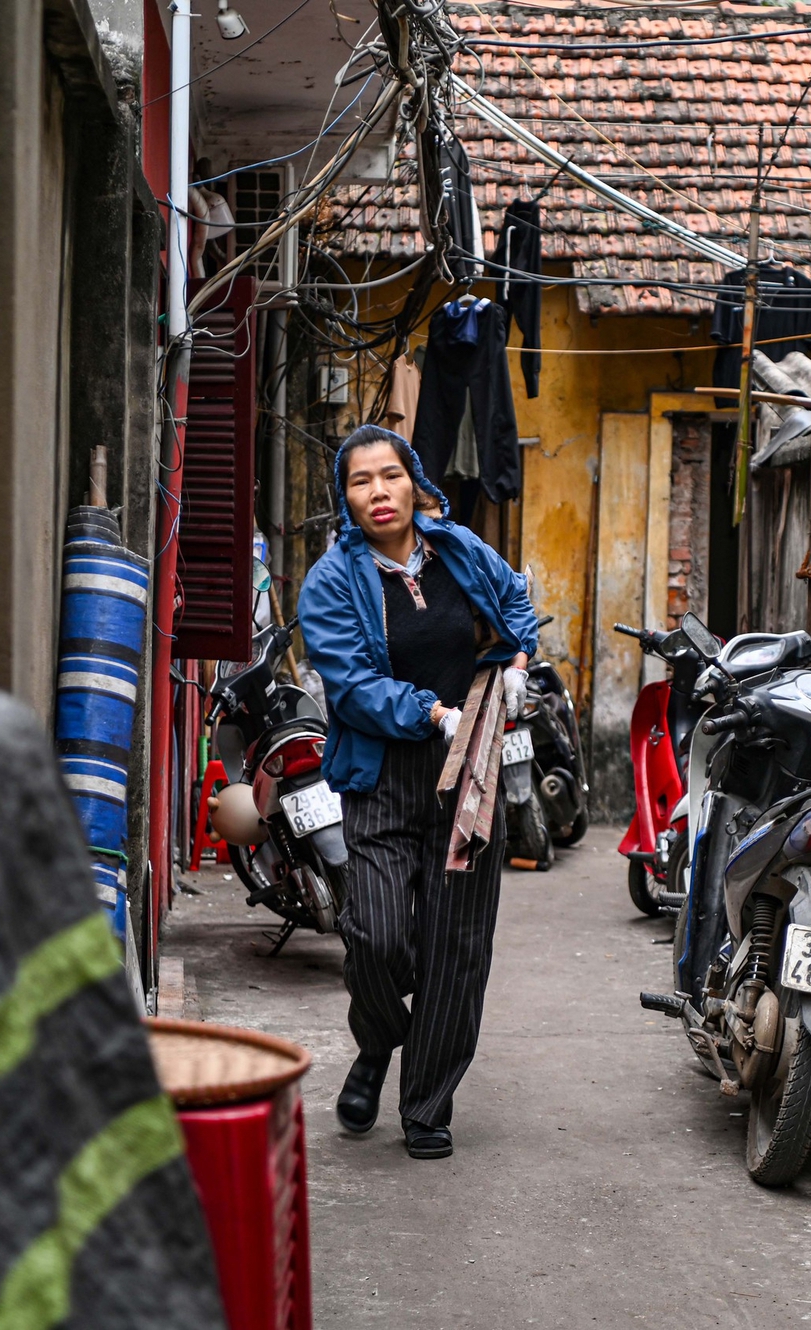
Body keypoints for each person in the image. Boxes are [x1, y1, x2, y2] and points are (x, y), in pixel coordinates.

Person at [298, 424, 538, 1159]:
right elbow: (353, 686)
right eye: (361, 481)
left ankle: (428, 1106)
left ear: (414, 481)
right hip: (384, 773)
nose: (378, 492)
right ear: (346, 498)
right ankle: (379, 1041)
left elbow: (515, 608)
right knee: (373, 934)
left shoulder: (460, 551)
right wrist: (432, 713)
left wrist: (519, 663)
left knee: (456, 944)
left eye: (390, 476)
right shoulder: (333, 582)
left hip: (472, 772)